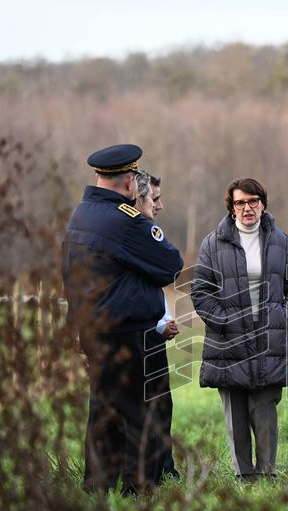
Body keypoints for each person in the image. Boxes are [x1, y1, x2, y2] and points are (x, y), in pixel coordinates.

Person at [61, 144, 184, 493]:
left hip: (95, 332)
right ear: (130, 183)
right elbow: (169, 264)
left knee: (103, 410)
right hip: (131, 333)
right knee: (141, 413)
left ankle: (98, 485)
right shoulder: (124, 220)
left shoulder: (81, 214)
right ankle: (139, 488)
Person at [191, 178, 288, 480]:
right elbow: (200, 292)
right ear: (231, 208)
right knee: (236, 412)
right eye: (240, 202)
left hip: (269, 336)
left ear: (263, 204)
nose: (247, 208)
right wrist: (226, 322)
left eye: (253, 201)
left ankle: (267, 473)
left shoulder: (281, 241)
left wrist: (283, 318)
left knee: (265, 409)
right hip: (228, 339)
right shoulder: (212, 244)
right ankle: (245, 475)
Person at [133, 168, 181, 480]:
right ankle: (148, 472)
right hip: (136, 337)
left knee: (162, 406)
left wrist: (163, 321)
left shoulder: (143, 231)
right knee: (145, 408)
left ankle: (164, 469)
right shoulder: (134, 232)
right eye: (155, 199)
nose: (159, 206)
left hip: (154, 335)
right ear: (137, 197)